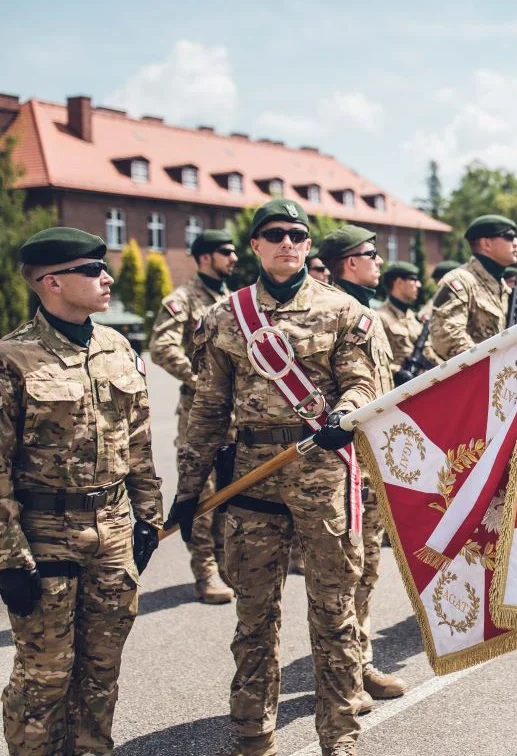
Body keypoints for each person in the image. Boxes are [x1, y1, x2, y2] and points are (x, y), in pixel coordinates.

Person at [171, 199, 380, 756]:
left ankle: (339, 736)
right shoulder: (224, 318)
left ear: (309, 247)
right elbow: (208, 412)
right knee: (254, 618)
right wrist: (188, 491)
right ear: (257, 246)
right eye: (274, 234)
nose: (287, 242)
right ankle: (251, 735)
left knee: (333, 613)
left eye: (297, 234)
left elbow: (365, 384)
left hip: (324, 475)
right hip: (253, 481)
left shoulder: (343, 313)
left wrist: (345, 413)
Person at [1, 228, 163, 756]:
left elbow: (138, 441)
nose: (106, 278)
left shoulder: (117, 347)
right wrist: (8, 558)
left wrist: (148, 518)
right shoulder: (13, 358)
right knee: (44, 678)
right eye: (91, 270)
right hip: (45, 536)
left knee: (101, 671)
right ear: (51, 282)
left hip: (113, 531)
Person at [317, 226, 407, 708]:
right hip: (341, 465)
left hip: (373, 464)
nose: (379, 263)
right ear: (350, 263)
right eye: (372, 255)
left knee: (367, 569)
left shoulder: (366, 313)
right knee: (342, 576)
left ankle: (359, 660)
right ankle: (343, 673)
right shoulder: (330, 313)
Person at [150, 229, 237, 604]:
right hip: (199, 411)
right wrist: (199, 378)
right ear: (205, 258)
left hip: (234, 412)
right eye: (225, 252)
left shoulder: (232, 300)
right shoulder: (182, 300)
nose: (233, 257)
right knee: (200, 492)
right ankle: (205, 570)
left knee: (230, 489)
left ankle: (224, 562)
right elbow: (161, 347)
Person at [430, 216, 517, 360]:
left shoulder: (503, 288)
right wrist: (490, 364)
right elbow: (446, 336)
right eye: (509, 236)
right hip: (475, 378)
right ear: (486, 244)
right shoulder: (460, 281)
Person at [377, 261, 425, 384]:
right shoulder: (379, 317)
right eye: (413, 279)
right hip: (394, 388)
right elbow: (375, 359)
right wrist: (397, 372)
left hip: (421, 383)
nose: (418, 284)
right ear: (399, 283)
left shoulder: (414, 318)